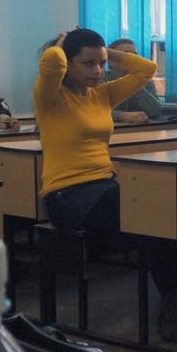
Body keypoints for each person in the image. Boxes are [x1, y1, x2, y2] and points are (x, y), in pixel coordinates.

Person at [33, 29, 157, 232]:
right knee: (129, 204)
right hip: (66, 194)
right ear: (67, 63)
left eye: (102, 63)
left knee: (153, 197)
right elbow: (52, 62)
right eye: (88, 64)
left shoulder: (102, 94)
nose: (98, 71)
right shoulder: (50, 98)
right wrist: (64, 41)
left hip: (104, 184)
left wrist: (103, 50)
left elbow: (147, 69)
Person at [104, 39, 163, 124]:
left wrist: (136, 83)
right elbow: (91, 111)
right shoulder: (98, 80)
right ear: (111, 61)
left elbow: (155, 111)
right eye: (126, 55)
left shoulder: (145, 81)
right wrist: (120, 115)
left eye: (134, 56)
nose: (132, 59)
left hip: (137, 130)